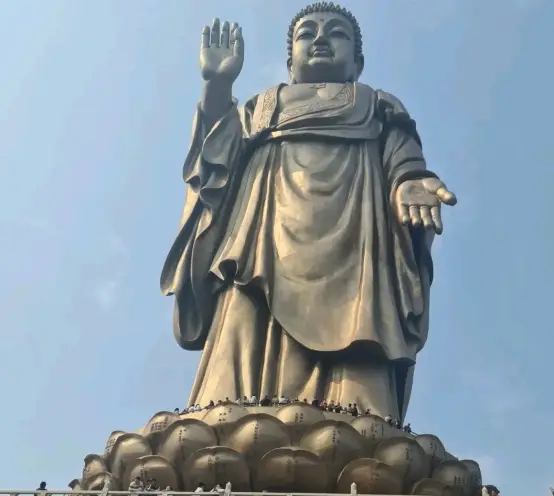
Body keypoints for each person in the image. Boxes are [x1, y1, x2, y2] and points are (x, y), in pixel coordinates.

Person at [161, 3, 457, 421]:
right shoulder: (263, 105)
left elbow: (402, 155)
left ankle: (359, 419)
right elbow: (214, 162)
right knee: (244, 312)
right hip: (261, 233)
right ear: (289, 62)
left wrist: (409, 182)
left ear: (357, 62)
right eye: (307, 34)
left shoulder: (375, 103)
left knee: (359, 326)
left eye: (336, 34)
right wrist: (217, 85)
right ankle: (226, 413)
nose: (319, 39)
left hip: (356, 240)